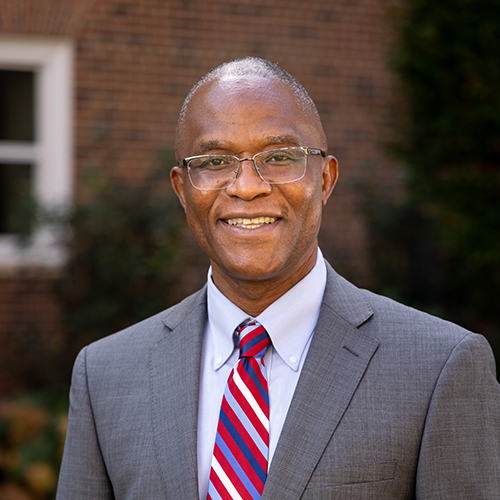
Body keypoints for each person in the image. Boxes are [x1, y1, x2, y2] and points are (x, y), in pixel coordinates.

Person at [56, 57, 500, 500]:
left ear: (325, 179)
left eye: (280, 157)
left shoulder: (441, 367)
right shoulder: (106, 376)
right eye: (214, 161)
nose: (247, 186)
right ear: (182, 190)